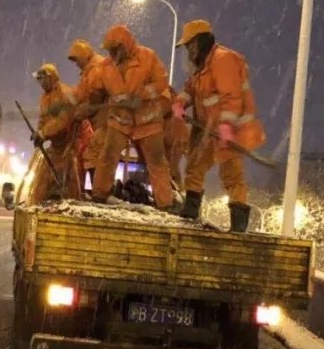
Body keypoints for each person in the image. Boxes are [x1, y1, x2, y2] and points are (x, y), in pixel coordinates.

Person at [172, 19, 266, 232]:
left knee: (231, 174)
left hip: (229, 129)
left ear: (202, 41)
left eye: (191, 44)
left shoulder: (223, 60)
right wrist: (180, 103)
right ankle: (190, 211)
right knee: (194, 165)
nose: (189, 50)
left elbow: (231, 98)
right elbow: (191, 89)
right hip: (207, 128)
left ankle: (238, 224)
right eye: (187, 46)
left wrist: (226, 126)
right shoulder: (201, 67)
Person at [88, 25, 175, 211]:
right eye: (109, 50)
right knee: (107, 155)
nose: (111, 54)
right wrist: (85, 102)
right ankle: (99, 195)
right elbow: (91, 89)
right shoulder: (105, 67)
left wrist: (142, 95)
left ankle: (166, 204)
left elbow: (161, 82)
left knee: (157, 161)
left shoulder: (148, 57)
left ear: (124, 46)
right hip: (120, 120)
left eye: (114, 50)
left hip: (147, 121)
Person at [29, 63, 83, 203]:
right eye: (38, 80)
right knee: (44, 177)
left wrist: (43, 133)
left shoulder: (65, 93)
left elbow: (63, 121)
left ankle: (71, 204)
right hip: (57, 145)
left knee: (68, 177)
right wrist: (39, 134)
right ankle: (42, 203)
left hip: (71, 142)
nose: (40, 83)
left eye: (42, 79)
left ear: (50, 77)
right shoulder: (45, 97)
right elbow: (43, 118)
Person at [66, 39, 110, 189]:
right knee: (96, 156)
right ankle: (101, 192)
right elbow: (80, 94)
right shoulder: (90, 70)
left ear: (84, 55)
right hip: (104, 121)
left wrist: (79, 111)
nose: (76, 64)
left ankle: (101, 193)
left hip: (107, 121)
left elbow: (94, 98)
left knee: (93, 156)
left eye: (77, 59)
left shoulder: (96, 68)